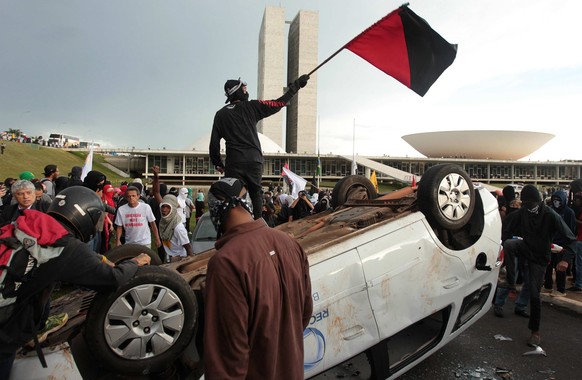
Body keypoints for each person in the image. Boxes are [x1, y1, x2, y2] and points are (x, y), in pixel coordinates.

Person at [0, 186, 151, 379]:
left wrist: (98, 259)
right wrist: (134, 262)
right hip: (5, 332)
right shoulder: (68, 247)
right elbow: (112, 279)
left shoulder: (28, 223)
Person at [203, 178, 312, 379]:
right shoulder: (290, 244)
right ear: (250, 204)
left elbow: (228, 356)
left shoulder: (226, 262)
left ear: (214, 212)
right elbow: (304, 313)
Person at [209, 75, 310, 219]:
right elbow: (278, 104)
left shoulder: (220, 114)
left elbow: (214, 142)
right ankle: (258, 224)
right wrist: (296, 86)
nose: (246, 90)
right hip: (253, 160)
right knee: (256, 193)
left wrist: (217, 162)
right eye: (244, 88)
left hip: (234, 162)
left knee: (233, 196)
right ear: (239, 91)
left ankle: (234, 227)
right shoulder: (252, 106)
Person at [501, 184, 577, 347]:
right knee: (508, 244)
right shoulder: (523, 212)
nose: (530, 208)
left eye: (532, 205)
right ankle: (511, 282)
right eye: (526, 205)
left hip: (540, 258)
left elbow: (571, 239)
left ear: (539, 202)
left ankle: (535, 332)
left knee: (535, 294)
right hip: (526, 247)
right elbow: (507, 226)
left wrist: (565, 260)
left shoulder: (550, 215)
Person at [543, 190, 577, 296]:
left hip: (563, 244)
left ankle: (560, 289)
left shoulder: (569, 212)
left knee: (560, 268)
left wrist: (567, 244)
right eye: (554, 200)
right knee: (548, 266)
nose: (556, 202)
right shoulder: (551, 210)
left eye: (559, 200)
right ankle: (548, 286)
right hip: (552, 243)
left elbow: (571, 230)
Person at [568, 192, 582, 293]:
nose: (576, 201)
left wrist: (574, 219)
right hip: (579, 238)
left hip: (581, 240)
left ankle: (579, 284)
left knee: (579, 264)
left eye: (578, 199)